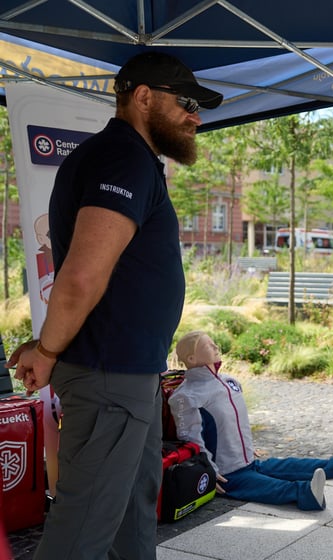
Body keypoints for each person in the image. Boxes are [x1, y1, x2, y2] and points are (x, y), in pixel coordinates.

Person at [9, 51, 222, 559]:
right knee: (81, 532)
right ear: (142, 96)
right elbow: (81, 276)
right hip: (110, 375)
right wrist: (47, 349)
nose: (197, 116)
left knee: (131, 510)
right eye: (187, 103)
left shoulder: (129, 158)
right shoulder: (122, 157)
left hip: (131, 374)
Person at [169, 331, 333, 510]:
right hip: (227, 473)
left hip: (247, 460)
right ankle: (305, 493)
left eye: (213, 343)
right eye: (207, 346)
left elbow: (235, 422)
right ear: (191, 357)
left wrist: (245, 446)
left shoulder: (229, 381)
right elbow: (191, 439)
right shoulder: (187, 395)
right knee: (266, 485)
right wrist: (209, 471)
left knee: (288, 465)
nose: (214, 347)